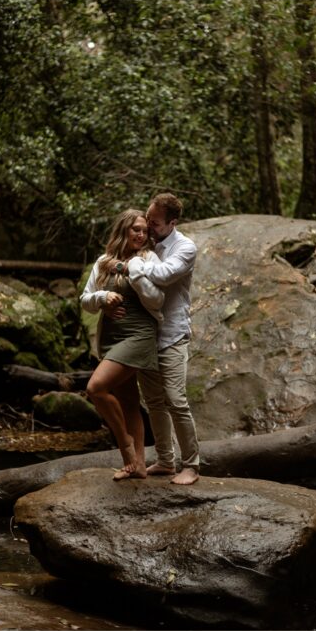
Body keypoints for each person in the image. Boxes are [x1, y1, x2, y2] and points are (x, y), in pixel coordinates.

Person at [80, 209, 165, 481]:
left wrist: (135, 275)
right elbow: (85, 300)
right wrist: (103, 297)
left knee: (95, 387)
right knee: (128, 402)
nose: (142, 235)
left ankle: (126, 444)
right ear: (123, 230)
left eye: (144, 231)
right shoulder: (103, 262)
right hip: (111, 337)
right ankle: (138, 465)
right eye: (136, 230)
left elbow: (157, 299)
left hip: (139, 334)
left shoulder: (149, 258)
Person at [128, 193, 202, 485]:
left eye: (155, 222)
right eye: (147, 218)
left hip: (172, 334)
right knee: (154, 402)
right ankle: (165, 460)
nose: (148, 225)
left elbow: (163, 274)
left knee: (175, 399)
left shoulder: (185, 248)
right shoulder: (148, 242)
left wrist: (134, 265)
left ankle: (192, 465)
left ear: (172, 222)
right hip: (146, 335)